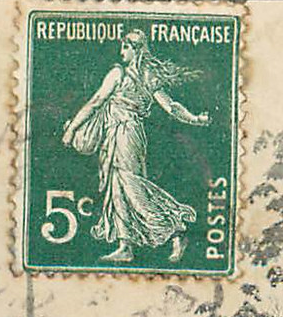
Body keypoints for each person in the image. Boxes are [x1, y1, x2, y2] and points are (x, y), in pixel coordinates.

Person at [61, 28, 212, 264]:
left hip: (125, 133)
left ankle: (175, 230)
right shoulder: (145, 76)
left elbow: (96, 101)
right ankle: (125, 246)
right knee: (117, 187)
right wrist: (194, 118)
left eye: (126, 47)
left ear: (136, 49)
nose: (122, 51)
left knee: (131, 186)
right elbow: (170, 106)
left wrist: (71, 129)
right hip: (120, 133)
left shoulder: (119, 74)